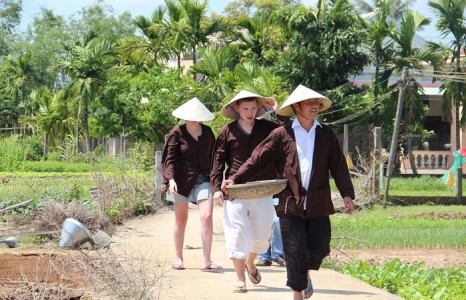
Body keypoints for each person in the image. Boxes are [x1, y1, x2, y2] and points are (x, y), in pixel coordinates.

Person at [222, 85, 355, 299]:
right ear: (296, 106)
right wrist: (235, 178)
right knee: (294, 251)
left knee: (320, 247)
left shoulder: (326, 134)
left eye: (317, 103)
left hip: (318, 202)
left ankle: (305, 277)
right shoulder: (282, 134)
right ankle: (297, 293)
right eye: (309, 102)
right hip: (289, 202)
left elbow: (338, 165)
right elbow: (257, 159)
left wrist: (347, 193)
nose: (315, 106)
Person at [211, 90, 279, 293]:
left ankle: (251, 262)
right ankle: (240, 279)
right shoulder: (227, 131)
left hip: (263, 188)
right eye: (245, 109)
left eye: (253, 108)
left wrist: (278, 113)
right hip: (236, 190)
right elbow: (217, 162)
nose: (250, 113)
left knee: (261, 236)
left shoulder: (269, 128)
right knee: (237, 234)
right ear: (237, 109)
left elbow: (288, 133)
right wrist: (216, 189)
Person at [162, 97, 222, 273]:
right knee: (181, 220)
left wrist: (216, 181)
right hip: (180, 181)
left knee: (207, 216)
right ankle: (179, 258)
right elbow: (169, 159)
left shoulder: (208, 132)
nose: (195, 118)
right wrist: (170, 180)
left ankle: (207, 260)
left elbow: (215, 157)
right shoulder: (177, 133)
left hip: (203, 179)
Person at [256, 201, 286, 267]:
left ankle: (278, 255)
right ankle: (264, 256)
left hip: (277, 197)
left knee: (277, 221)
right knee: (262, 222)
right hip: (262, 197)